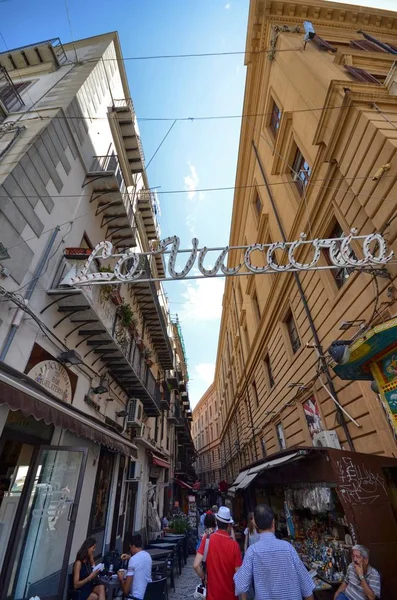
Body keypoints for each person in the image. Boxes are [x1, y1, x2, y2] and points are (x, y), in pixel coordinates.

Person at [234, 504, 315, 600]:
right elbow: (306, 586)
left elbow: (240, 585)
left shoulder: (252, 551)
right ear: (273, 523)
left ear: (255, 525)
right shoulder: (288, 548)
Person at [194, 506, 242, 600]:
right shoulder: (234, 545)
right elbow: (239, 575)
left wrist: (204, 577)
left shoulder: (207, 539)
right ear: (229, 525)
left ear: (216, 522)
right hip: (230, 595)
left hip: (212, 595)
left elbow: (196, 565)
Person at [117, 534, 152, 600]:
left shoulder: (133, 560)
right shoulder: (148, 556)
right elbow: (139, 562)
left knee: (117, 596)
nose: (130, 550)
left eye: (130, 548)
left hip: (136, 597)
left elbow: (126, 590)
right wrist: (130, 557)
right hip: (148, 596)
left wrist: (121, 579)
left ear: (133, 546)